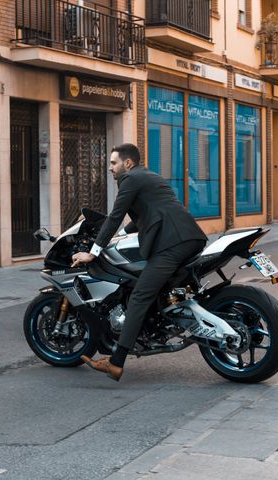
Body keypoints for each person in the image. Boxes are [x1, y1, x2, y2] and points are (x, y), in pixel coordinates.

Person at [71, 143, 207, 381]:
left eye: (114, 163)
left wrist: (93, 252)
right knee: (158, 290)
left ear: (128, 163)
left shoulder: (130, 180)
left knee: (139, 296)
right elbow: (146, 213)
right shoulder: (148, 176)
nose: (110, 168)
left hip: (171, 244)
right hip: (189, 237)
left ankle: (116, 363)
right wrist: (121, 234)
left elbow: (115, 215)